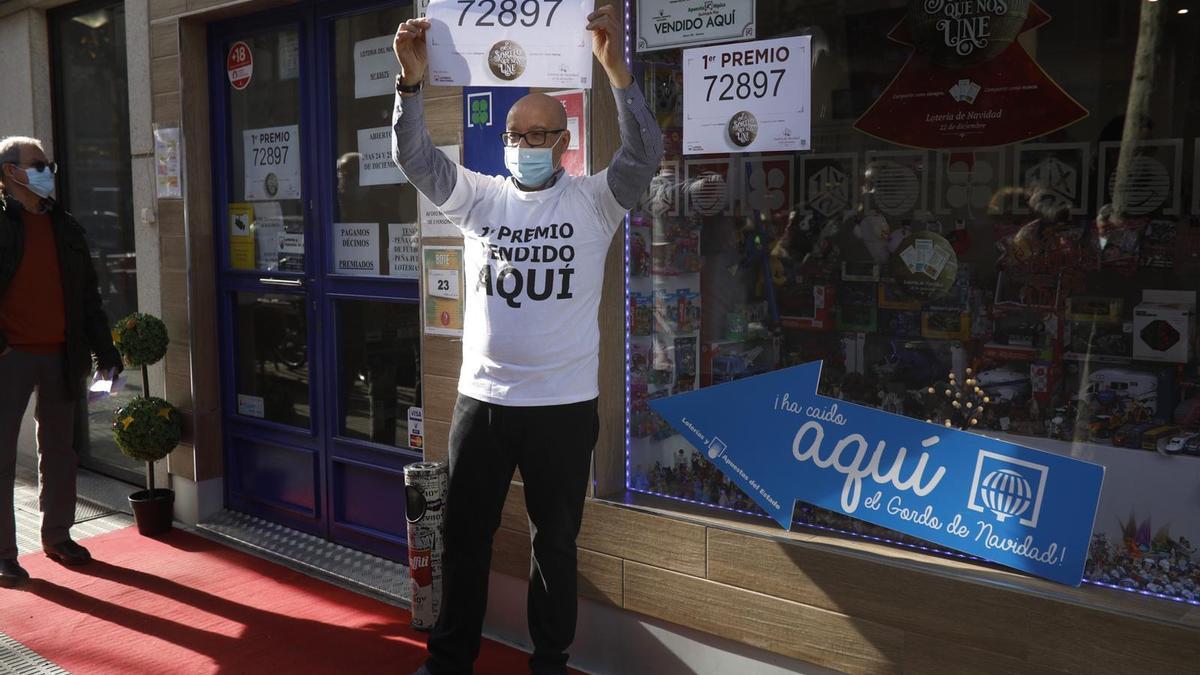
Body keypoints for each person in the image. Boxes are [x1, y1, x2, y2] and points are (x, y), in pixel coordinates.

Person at [391, 5, 662, 674]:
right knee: (464, 537)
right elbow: (415, 158)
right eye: (518, 131)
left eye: (543, 133)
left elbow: (646, 154)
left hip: (564, 408)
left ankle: (550, 661)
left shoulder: (595, 200)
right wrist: (411, 84)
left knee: (557, 543)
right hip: (481, 403)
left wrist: (617, 72)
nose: (529, 142)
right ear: (504, 139)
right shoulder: (479, 197)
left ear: (564, 142)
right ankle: (450, 658)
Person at [0, 136, 123, 587]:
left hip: (60, 354)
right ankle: (4, 555)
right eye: (37, 164)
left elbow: (88, 295)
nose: (47, 170)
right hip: (9, 358)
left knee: (60, 451)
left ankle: (57, 536)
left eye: (47, 163)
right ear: (11, 172)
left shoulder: (65, 226)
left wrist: (105, 352)